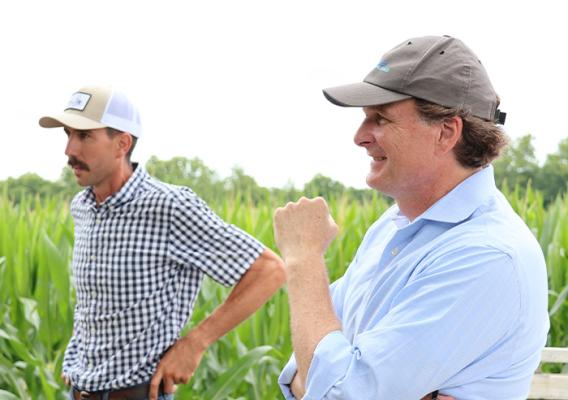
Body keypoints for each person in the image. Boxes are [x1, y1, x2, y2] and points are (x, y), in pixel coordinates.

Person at [273, 35, 549, 399]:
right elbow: (308, 366)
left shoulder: (488, 255)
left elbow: (336, 390)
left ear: (446, 132)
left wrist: (304, 259)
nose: (360, 136)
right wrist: (324, 373)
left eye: (380, 118)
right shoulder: (390, 227)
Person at [39, 86, 286, 400]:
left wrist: (195, 344)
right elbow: (94, 301)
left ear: (122, 144)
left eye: (84, 136)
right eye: (68, 134)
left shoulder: (169, 206)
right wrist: (79, 355)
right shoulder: (83, 206)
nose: (69, 149)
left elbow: (269, 270)